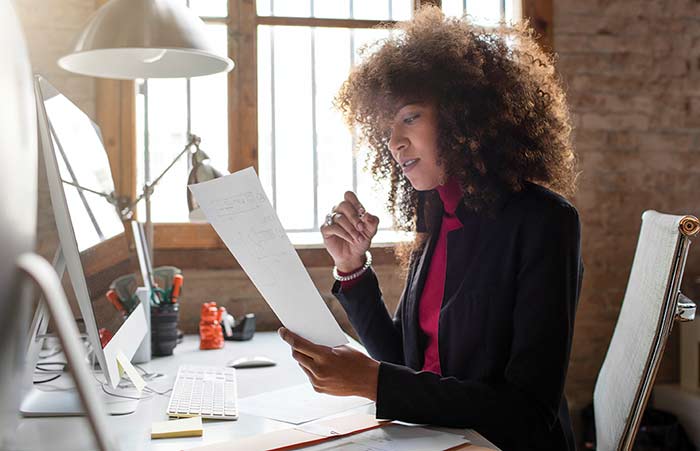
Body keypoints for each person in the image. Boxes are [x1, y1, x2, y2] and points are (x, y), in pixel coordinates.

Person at [278, 7, 582, 451]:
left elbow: (528, 414)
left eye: (410, 117)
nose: (395, 141)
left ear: (465, 115)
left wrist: (375, 383)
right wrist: (352, 268)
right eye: (387, 127)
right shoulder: (438, 215)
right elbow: (403, 360)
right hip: (435, 437)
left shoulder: (544, 222)